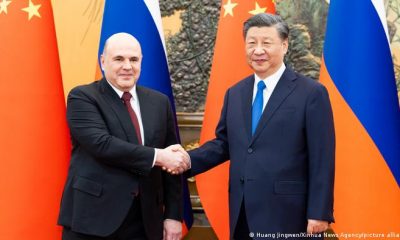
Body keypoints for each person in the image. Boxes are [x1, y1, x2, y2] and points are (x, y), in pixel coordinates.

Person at [182, 13, 335, 239]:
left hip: (291, 215)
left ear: (284, 45)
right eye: (251, 43)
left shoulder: (311, 93)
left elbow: (322, 157)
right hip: (243, 211)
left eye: (266, 43)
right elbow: (224, 144)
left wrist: (319, 212)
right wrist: (186, 160)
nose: (258, 50)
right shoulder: (235, 93)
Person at [58, 32, 189, 240]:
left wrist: (172, 215)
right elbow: (102, 145)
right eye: (119, 59)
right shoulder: (82, 97)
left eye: (134, 60)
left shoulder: (159, 102)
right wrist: (159, 156)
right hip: (93, 220)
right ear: (103, 61)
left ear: (141, 62)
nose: (127, 66)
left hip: (146, 222)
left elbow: (171, 163)